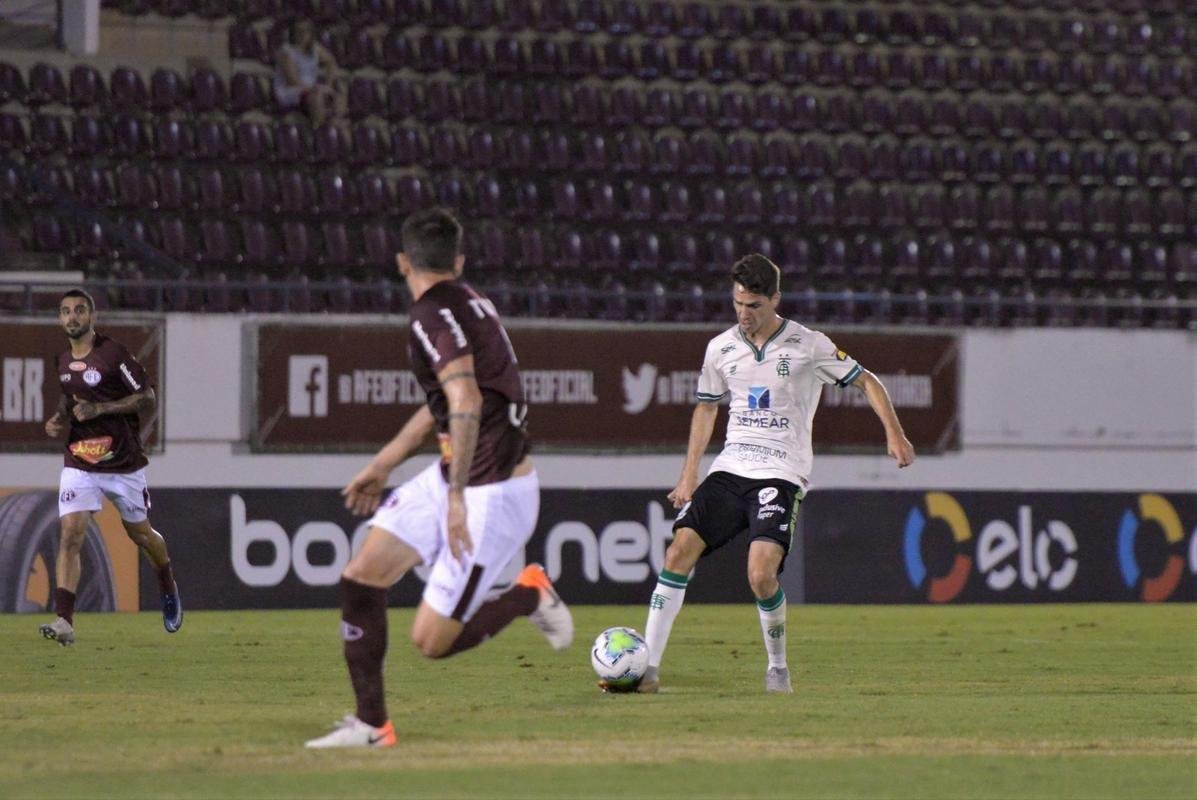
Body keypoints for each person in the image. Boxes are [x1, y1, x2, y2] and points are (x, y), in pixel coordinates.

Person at [305, 209, 572, 749]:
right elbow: (445, 404)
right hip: (459, 474)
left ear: (403, 262)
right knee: (361, 577)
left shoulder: (429, 315)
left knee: (431, 642)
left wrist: (455, 499)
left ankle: (527, 595)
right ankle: (373, 726)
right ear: (459, 260)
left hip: (491, 494)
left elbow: (465, 399)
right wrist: (386, 462)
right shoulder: (471, 302)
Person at [621, 255, 915, 694]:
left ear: (775, 299)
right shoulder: (720, 348)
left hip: (780, 472)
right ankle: (649, 669)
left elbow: (866, 380)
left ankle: (777, 667)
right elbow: (706, 407)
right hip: (731, 467)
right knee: (677, 552)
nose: (744, 315)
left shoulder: (808, 345)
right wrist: (689, 476)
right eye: (738, 303)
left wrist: (895, 433)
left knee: (760, 574)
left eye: (754, 305)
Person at [41, 289, 182, 646]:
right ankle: (64, 620)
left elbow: (147, 397)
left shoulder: (112, 354)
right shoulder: (61, 360)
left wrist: (101, 410)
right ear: (60, 319)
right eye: (66, 312)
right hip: (80, 459)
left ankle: (166, 582)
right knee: (71, 533)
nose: (72, 317)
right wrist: (59, 418)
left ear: (92, 316)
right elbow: (69, 397)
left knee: (141, 536)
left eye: (79, 310)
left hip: (122, 462)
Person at [273, 17, 345, 125]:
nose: (303, 34)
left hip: (311, 89)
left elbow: (331, 62)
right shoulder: (287, 51)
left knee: (338, 96)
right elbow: (292, 80)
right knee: (317, 97)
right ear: (294, 33)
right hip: (291, 91)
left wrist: (328, 84)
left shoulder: (315, 48)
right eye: (299, 31)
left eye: (306, 31)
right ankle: (319, 128)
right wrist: (316, 88)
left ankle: (335, 125)